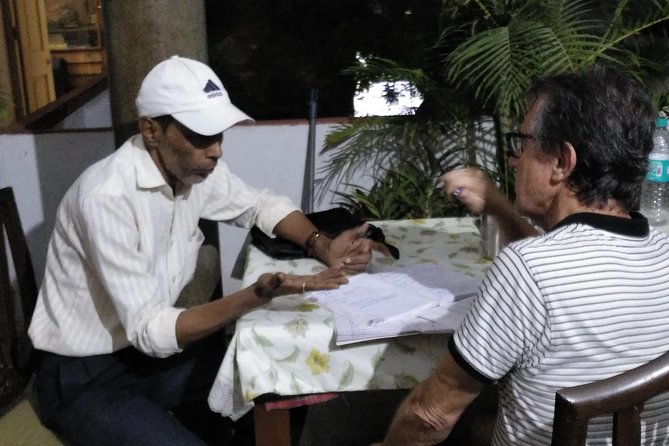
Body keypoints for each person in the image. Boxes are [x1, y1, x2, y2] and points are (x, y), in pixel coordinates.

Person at [28, 55, 381, 446]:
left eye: (220, 135)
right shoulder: (106, 197)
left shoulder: (191, 170)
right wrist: (256, 295)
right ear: (151, 131)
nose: (216, 151)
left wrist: (323, 244)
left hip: (149, 360)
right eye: (200, 136)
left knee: (284, 374)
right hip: (85, 378)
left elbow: (259, 205)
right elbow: (151, 330)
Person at [374, 66, 669, 445]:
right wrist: (499, 207)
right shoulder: (661, 253)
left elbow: (431, 417)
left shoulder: (528, 271)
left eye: (523, 144)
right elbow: (554, 267)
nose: (514, 160)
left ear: (563, 162)